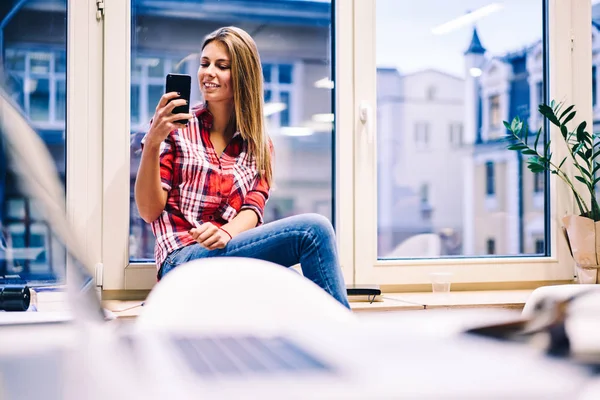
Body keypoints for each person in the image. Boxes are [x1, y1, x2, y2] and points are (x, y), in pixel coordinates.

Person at [134, 26, 350, 309]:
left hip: (229, 252)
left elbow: (252, 209)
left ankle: (323, 345)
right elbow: (149, 211)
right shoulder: (172, 129)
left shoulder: (259, 144)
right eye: (204, 63)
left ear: (242, 76)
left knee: (292, 286)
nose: (208, 72)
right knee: (314, 231)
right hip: (181, 259)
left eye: (221, 66)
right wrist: (152, 143)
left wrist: (226, 232)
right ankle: (348, 342)